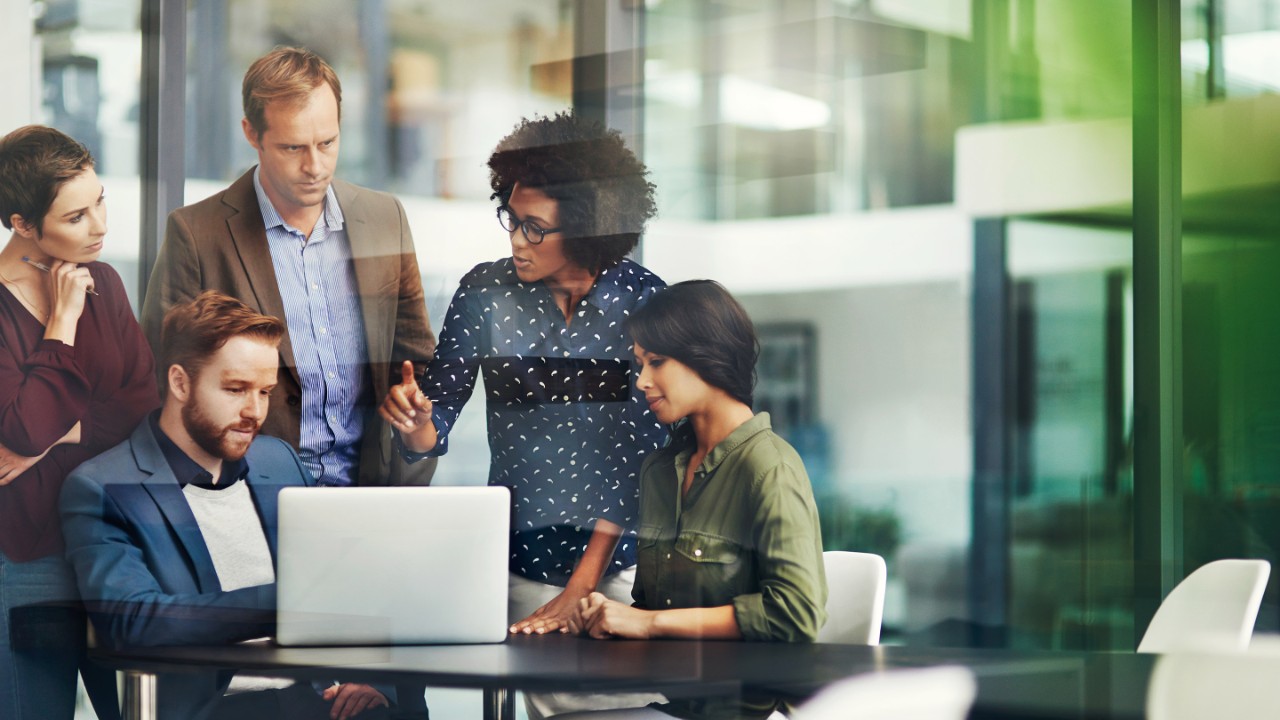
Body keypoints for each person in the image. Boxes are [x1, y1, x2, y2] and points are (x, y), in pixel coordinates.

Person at [378, 112, 667, 716]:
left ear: (586, 230)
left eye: (535, 228)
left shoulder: (643, 303)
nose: (515, 240)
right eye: (510, 218)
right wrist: (417, 420)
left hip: (617, 570)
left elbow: (638, 465)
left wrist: (579, 590)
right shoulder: (485, 293)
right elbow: (439, 415)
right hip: (516, 563)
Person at [60, 291, 397, 720]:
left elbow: (348, 580)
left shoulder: (279, 460)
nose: (255, 411)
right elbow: (134, 622)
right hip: (212, 710)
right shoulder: (102, 485)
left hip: (317, 701)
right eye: (236, 389)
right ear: (180, 383)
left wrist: (373, 677)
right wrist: (288, 605)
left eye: (265, 391)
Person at [140, 46, 436, 489]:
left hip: (370, 494)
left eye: (327, 143)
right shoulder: (197, 234)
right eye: (292, 147)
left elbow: (417, 363)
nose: (314, 166)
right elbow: (162, 383)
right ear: (251, 133)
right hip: (247, 497)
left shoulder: (384, 219)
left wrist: (416, 421)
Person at [567, 280, 828, 720]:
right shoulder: (658, 472)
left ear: (708, 356)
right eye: (639, 364)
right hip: (677, 705)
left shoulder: (770, 468)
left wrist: (647, 623)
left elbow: (796, 615)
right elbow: (655, 610)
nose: (642, 381)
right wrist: (607, 619)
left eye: (657, 362)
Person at [0, 124, 158, 720]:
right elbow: (21, 429)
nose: (100, 227)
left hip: (116, 547)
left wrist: (54, 438)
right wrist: (62, 320)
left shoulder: (106, 283)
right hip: (27, 556)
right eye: (75, 217)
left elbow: (141, 409)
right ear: (22, 224)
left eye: (99, 202)